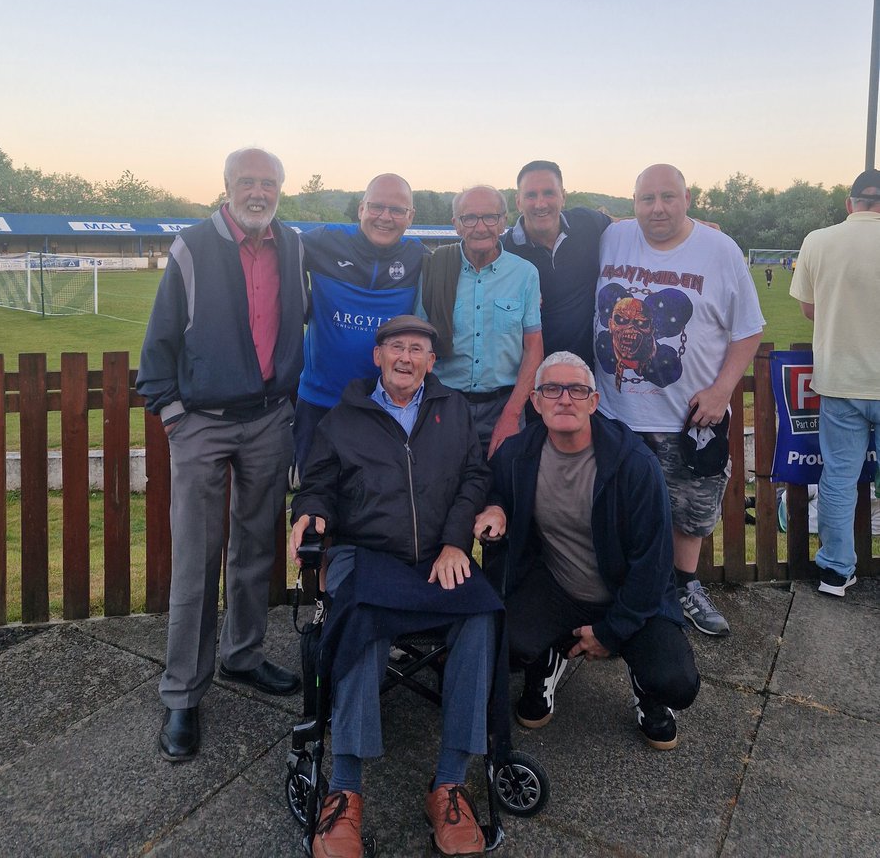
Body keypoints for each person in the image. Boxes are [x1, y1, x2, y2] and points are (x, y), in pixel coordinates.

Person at [289, 316, 499, 858]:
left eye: (419, 349)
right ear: (378, 356)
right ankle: (345, 790)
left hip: (436, 553)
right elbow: (316, 485)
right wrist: (309, 512)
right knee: (360, 621)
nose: (407, 357)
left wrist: (456, 540)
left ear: (432, 362)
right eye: (397, 347)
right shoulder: (343, 418)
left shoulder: (452, 411)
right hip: (367, 552)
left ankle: (450, 784)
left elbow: (476, 477)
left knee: (479, 614)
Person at [137, 147, 307, 762]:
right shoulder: (191, 246)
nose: (257, 192)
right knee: (197, 558)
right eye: (247, 182)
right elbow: (157, 340)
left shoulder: (291, 244)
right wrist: (174, 416)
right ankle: (182, 692)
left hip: (268, 420)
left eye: (268, 183)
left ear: (280, 189)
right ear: (227, 185)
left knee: (257, 547)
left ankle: (242, 655)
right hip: (203, 423)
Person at [474, 351, 699, 749]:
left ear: (594, 402)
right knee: (498, 647)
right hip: (559, 589)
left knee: (676, 682)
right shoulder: (518, 454)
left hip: (632, 598)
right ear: (536, 401)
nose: (565, 399)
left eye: (578, 390)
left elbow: (654, 564)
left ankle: (647, 689)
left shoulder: (633, 463)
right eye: (552, 389)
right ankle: (547, 658)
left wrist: (611, 633)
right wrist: (494, 506)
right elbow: (493, 487)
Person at [593, 164, 764, 637]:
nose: (658, 208)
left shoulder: (719, 249)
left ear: (688, 198)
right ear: (633, 203)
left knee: (689, 513)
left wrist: (722, 389)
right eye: (647, 198)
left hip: (689, 417)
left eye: (669, 197)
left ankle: (685, 588)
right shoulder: (613, 238)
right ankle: (624, 595)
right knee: (618, 515)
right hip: (615, 415)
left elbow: (748, 330)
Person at [294, 173, 425, 476]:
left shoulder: (419, 257)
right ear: (361, 209)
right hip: (318, 402)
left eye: (396, 210)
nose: (385, 217)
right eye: (377, 207)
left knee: (374, 507)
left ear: (410, 217)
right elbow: (269, 253)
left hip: (384, 407)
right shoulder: (324, 241)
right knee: (313, 500)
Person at [790, 168, 880, 597]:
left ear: (850, 204)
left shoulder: (819, 240)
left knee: (840, 478)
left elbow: (809, 309)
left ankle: (835, 571)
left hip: (841, 378)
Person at [417, 185, 543, 457]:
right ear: (456, 225)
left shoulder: (525, 274)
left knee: (503, 493)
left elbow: (534, 348)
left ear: (503, 222)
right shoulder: (434, 270)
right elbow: (419, 342)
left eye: (490, 217)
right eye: (469, 218)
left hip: (504, 405)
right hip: (444, 404)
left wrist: (512, 414)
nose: (480, 227)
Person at [502, 160, 610, 367]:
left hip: (586, 375)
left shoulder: (588, 223)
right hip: (531, 377)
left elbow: (635, 228)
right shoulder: (504, 251)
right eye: (531, 195)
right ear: (518, 202)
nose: (540, 204)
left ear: (563, 197)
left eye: (549, 193)